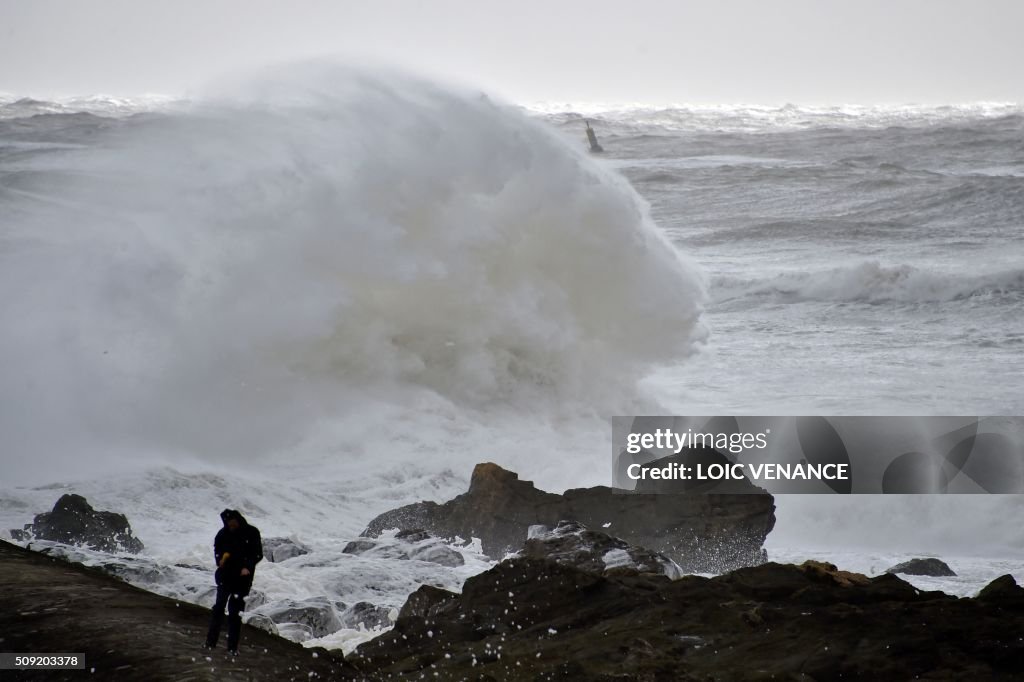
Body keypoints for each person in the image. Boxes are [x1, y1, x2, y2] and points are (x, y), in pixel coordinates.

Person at [204, 509, 263, 655]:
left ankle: (232, 648)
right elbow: (217, 552)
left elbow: (258, 554)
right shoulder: (222, 534)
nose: (231, 525)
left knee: (235, 613)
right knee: (218, 609)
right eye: (227, 522)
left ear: (238, 519)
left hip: (242, 580)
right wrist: (220, 560)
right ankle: (210, 643)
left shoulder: (251, 532)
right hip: (225, 577)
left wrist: (247, 567)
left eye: (233, 522)